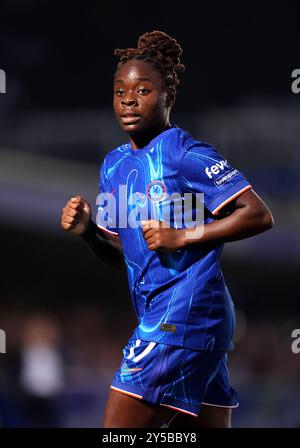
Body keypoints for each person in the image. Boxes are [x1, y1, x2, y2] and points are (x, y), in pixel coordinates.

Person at [60, 30, 274, 428]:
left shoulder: (185, 154)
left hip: (181, 318)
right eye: (120, 90)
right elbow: (120, 252)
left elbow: (258, 214)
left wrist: (184, 236)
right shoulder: (114, 166)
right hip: (181, 317)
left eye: (143, 90)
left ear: (167, 97)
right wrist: (89, 229)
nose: (128, 99)